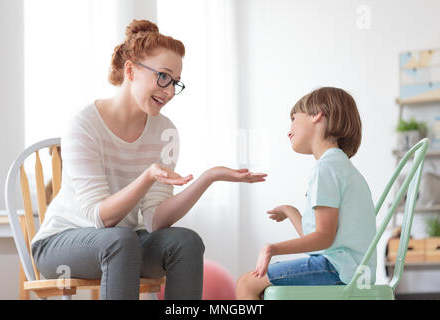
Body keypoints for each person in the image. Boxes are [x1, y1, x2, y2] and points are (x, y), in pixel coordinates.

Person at [30, 19, 267, 300]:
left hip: (123, 243)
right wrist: (147, 177)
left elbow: (155, 220)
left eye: (175, 82)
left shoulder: (165, 131)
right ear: (130, 70)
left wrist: (208, 177)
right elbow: (101, 218)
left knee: (186, 242)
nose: (168, 91)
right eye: (163, 77)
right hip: (62, 244)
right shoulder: (84, 124)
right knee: (120, 240)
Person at [236, 87, 376, 299]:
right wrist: (290, 211)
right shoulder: (340, 166)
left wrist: (272, 248)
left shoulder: (325, 168)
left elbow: (323, 238)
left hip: (338, 270)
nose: (289, 129)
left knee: (246, 284)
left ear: (316, 114)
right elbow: (320, 238)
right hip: (353, 271)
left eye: (293, 118)